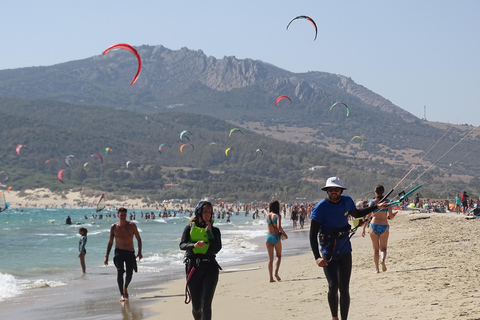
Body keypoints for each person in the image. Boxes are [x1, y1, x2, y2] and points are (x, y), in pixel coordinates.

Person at [309, 177, 388, 320]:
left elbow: (357, 214)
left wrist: (376, 206)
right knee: (333, 286)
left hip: (345, 249)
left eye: (336, 190)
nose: (333, 192)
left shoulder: (346, 201)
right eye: (331, 190)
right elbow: (312, 234)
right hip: (328, 251)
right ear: (327, 191)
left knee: (344, 288)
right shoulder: (320, 208)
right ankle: (334, 317)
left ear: (341, 191)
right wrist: (317, 256)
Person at [180, 201, 222, 320]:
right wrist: (194, 245)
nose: (208, 214)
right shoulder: (189, 228)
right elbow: (182, 245)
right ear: (199, 212)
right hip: (193, 267)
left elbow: (217, 248)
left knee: (206, 303)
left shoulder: (215, 231)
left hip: (210, 268)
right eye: (205, 211)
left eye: (210, 212)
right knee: (197, 307)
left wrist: (208, 233)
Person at [104, 207, 143, 302]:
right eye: (121, 215)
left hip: (130, 251)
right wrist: (106, 256)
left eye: (124, 214)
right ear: (118, 215)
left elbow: (138, 239)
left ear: (126, 215)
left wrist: (139, 252)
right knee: (120, 272)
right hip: (119, 252)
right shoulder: (114, 227)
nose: (123, 216)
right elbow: (110, 242)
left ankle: (125, 287)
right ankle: (121, 294)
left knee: (130, 272)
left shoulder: (132, 225)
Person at [362, 185, 397, 273]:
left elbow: (368, 215)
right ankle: (383, 260)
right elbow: (391, 217)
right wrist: (392, 216)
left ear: (375, 192)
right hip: (384, 225)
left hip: (373, 225)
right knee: (383, 248)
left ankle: (377, 269)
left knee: (375, 249)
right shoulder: (387, 202)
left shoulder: (372, 202)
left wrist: (363, 228)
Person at [266, 200, 288, 282]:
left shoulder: (268, 215)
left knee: (270, 259)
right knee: (278, 256)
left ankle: (271, 278)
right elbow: (279, 227)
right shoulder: (278, 216)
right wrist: (284, 234)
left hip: (268, 237)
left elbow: (265, 212)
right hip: (275, 237)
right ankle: (276, 272)